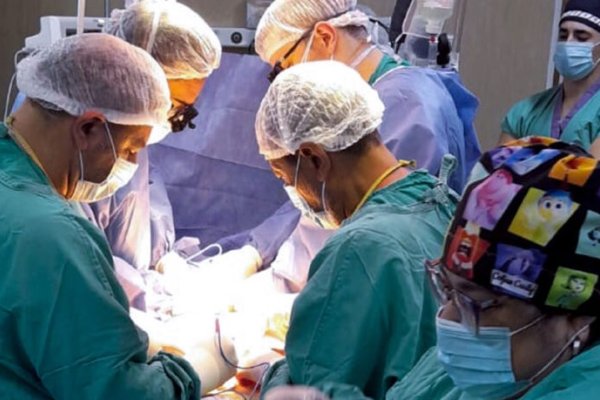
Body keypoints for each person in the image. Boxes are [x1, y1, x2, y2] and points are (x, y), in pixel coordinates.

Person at [0, 34, 200, 398]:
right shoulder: (53, 236)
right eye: (130, 148)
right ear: (88, 128)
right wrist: (193, 369)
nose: (133, 163)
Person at [256, 60, 457, 400]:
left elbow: (310, 389)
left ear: (314, 158)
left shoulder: (358, 249)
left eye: (285, 178)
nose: (291, 191)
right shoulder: (441, 200)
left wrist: (273, 374)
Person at [385, 137, 600, 400]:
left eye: (477, 302)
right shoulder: (456, 371)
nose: (447, 318)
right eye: (447, 289)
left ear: (575, 316)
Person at [69, 0, 222, 309]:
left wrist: (165, 264)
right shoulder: (74, 140)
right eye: (172, 105)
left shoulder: (128, 136)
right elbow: (78, 261)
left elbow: (143, 213)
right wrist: (141, 297)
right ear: (133, 74)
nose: (170, 119)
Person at [255, 0, 481, 192]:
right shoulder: (366, 101)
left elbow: (385, 213)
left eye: (284, 68)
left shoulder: (404, 105)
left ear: (325, 37)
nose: (285, 84)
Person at [500, 0, 600, 159]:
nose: (568, 44)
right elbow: (498, 170)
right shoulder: (525, 113)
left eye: (581, 37)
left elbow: (593, 173)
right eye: (563, 36)